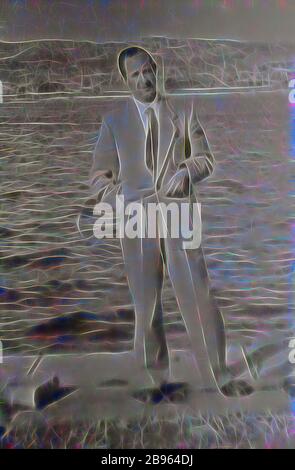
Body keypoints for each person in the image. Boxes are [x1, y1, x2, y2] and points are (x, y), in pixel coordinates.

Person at [89, 45, 254, 400]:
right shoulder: (113, 122)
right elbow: (99, 178)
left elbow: (205, 159)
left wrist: (186, 171)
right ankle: (153, 382)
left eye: (148, 70)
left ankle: (219, 375)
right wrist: (118, 195)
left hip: (180, 215)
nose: (144, 79)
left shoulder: (184, 111)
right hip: (137, 222)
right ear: (125, 81)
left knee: (199, 294)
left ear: (156, 69)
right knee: (145, 303)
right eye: (135, 75)